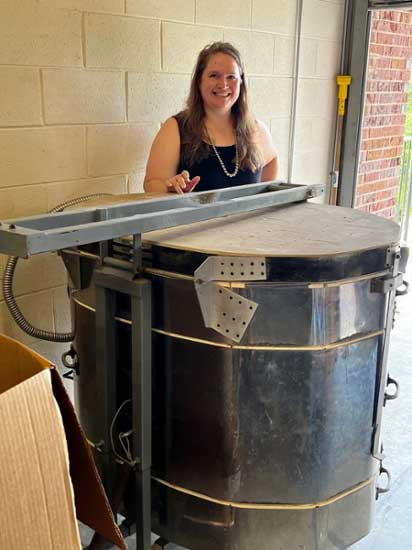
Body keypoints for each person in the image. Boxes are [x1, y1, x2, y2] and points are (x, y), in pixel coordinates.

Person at [144, 42, 278, 194]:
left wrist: (262, 200)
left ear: (241, 82)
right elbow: (151, 184)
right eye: (214, 75)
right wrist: (169, 188)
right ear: (199, 81)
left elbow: (272, 160)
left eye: (231, 77)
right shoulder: (175, 128)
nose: (223, 84)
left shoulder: (256, 129)